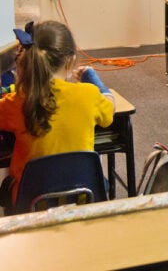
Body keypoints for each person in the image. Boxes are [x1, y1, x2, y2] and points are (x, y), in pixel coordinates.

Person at [0, 21, 115, 212]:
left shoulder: (17, 101)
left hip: (30, 203)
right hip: (83, 196)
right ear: (70, 61)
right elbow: (109, 109)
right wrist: (94, 80)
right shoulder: (88, 95)